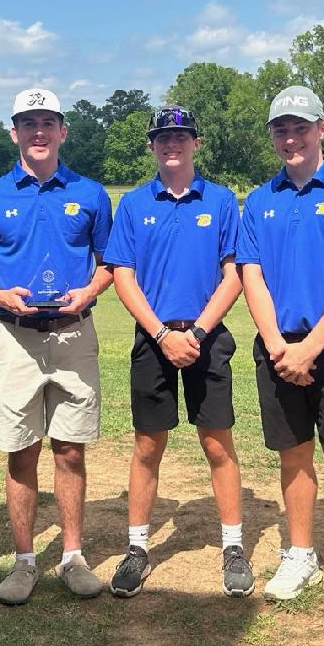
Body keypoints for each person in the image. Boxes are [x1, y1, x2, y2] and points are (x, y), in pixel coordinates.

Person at [0, 88, 113, 605]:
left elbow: (109, 264)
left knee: (70, 450)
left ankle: (72, 557)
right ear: (14, 132)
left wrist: (90, 290)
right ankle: (25, 561)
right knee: (20, 450)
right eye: (28, 123)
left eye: (48, 122)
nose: (39, 132)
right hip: (14, 337)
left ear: (63, 131)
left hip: (73, 334)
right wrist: (1, 294)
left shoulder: (91, 194)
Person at [236, 86, 324, 612]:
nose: (290, 138)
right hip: (278, 347)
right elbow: (251, 275)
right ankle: (301, 554)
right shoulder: (259, 200)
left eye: (300, 127)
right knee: (293, 455)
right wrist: (278, 344)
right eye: (281, 129)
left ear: (322, 128)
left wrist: (312, 346)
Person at [102, 105, 253, 598]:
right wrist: (163, 335)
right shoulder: (133, 204)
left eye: (182, 136)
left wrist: (200, 330)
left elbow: (234, 272)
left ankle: (233, 546)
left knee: (217, 443)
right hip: (153, 338)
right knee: (148, 445)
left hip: (207, 338)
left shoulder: (222, 200)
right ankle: (137, 548)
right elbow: (122, 274)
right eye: (163, 137)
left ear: (196, 143)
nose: (173, 144)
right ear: (152, 145)